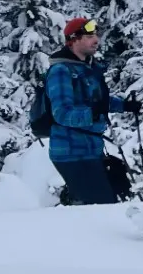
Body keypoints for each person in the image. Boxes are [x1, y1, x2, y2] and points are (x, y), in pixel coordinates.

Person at [45, 16, 137, 205]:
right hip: (71, 153)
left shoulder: (88, 68)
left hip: (91, 149)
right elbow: (61, 113)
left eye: (96, 35)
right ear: (73, 40)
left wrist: (124, 105)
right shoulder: (61, 71)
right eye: (89, 37)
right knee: (101, 206)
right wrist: (92, 113)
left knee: (114, 197)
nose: (96, 40)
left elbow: (98, 102)